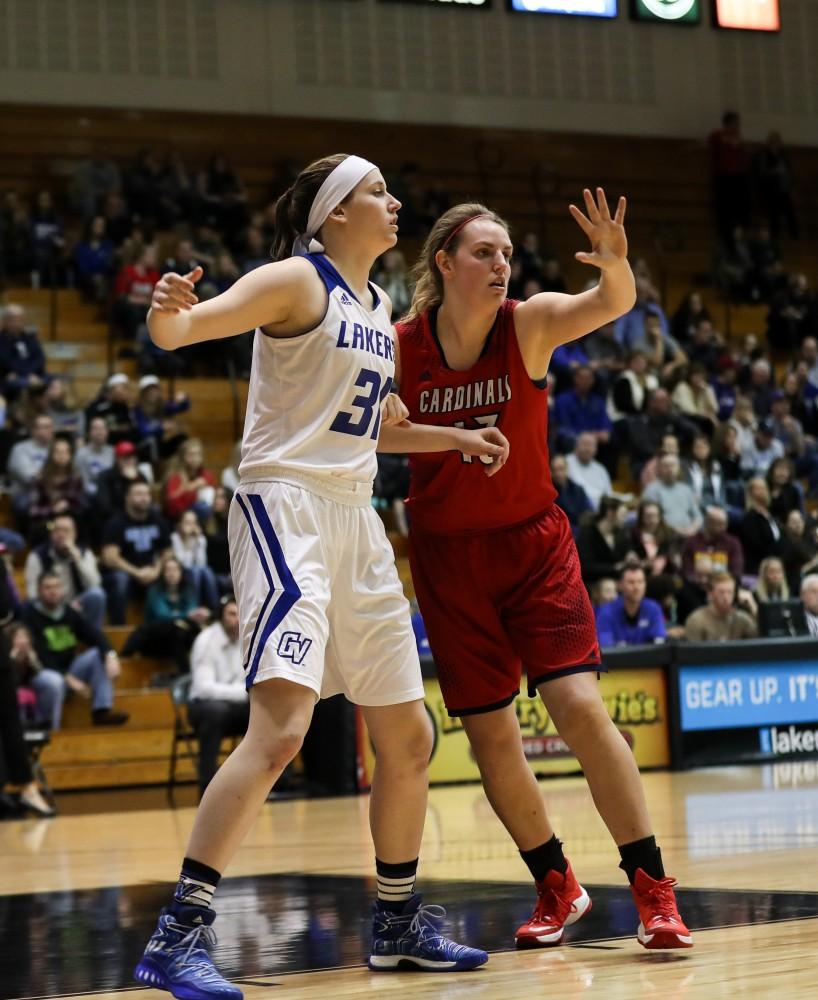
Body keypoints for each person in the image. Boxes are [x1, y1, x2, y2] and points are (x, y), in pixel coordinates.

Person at [133, 154, 498, 998]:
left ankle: (399, 922)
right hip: (283, 506)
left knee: (409, 738)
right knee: (282, 730)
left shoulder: (378, 309)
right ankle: (177, 933)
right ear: (334, 215)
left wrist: (458, 440)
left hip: (355, 515)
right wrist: (169, 315)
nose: (394, 200)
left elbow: (374, 432)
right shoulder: (298, 280)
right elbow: (185, 331)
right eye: (376, 191)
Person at [396, 193, 691, 955]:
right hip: (447, 559)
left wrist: (618, 265)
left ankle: (654, 891)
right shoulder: (399, 346)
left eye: (506, 254)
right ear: (444, 263)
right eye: (484, 253)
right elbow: (369, 428)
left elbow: (609, 300)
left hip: (532, 547)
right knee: (492, 738)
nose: (501, 265)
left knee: (579, 709)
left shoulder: (526, 325)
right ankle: (556, 883)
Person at [21, 572, 128, 729]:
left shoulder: (69, 613)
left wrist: (110, 655)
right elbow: (40, 656)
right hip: (42, 673)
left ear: (63, 590)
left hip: (70, 669)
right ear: (39, 591)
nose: (53, 591)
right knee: (54, 681)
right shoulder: (29, 615)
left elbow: (95, 635)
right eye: (47, 587)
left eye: (57, 587)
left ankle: (101, 711)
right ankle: (51, 731)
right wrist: (69, 679)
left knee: (99, 654)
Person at [187, 596, 248, 798]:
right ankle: (207, 784)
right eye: (232, 614)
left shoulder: (248, 639)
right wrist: (243, 693)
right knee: (215, 711)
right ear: (221, 616)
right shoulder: (206, 640)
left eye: (240, 613)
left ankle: (278, 782)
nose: (238, 619)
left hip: (237, 705)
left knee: (270, 709)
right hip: (203, 707)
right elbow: (205, 689)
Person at [101, 479, 172, 624]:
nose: (144, 498)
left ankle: (169, 623)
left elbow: (168, 551)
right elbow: (109, 557)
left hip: (151, 573)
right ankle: (118, 628)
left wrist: (156, 570)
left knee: (177, 572)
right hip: (127, 574)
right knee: (120, 580)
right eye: (139, 494)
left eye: (147, 494)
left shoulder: (158, 520)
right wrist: (137, 573)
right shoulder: (116, 523)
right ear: (127, 497)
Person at [24, 514, 107, 630]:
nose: (61, 535)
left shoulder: (84, 553)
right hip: (49, 606)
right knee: (29, 606)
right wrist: (59, 607)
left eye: (66, 531)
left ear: (75, 534)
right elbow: (32, 594)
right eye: (57, 530)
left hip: (77, 604)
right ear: (51, 534)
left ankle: (94, 636)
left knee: (97, 594)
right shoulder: (37, 556)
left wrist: (78, 559)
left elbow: (95, 584)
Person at [595, 565, 666, 647]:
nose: (636, 587)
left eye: (640, 582)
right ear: (620, 585)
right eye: (631, 582)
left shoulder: (654, 608)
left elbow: (659, 643)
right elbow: (606, 649)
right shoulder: (606, 612)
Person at [684, 572, 758, 642]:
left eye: (730, 592)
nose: (726, 597)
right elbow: (692, 653)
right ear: (710, 594)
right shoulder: (697, 620)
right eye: (721, 592)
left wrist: (753, 607)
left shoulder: (741, 619)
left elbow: (761, 640)